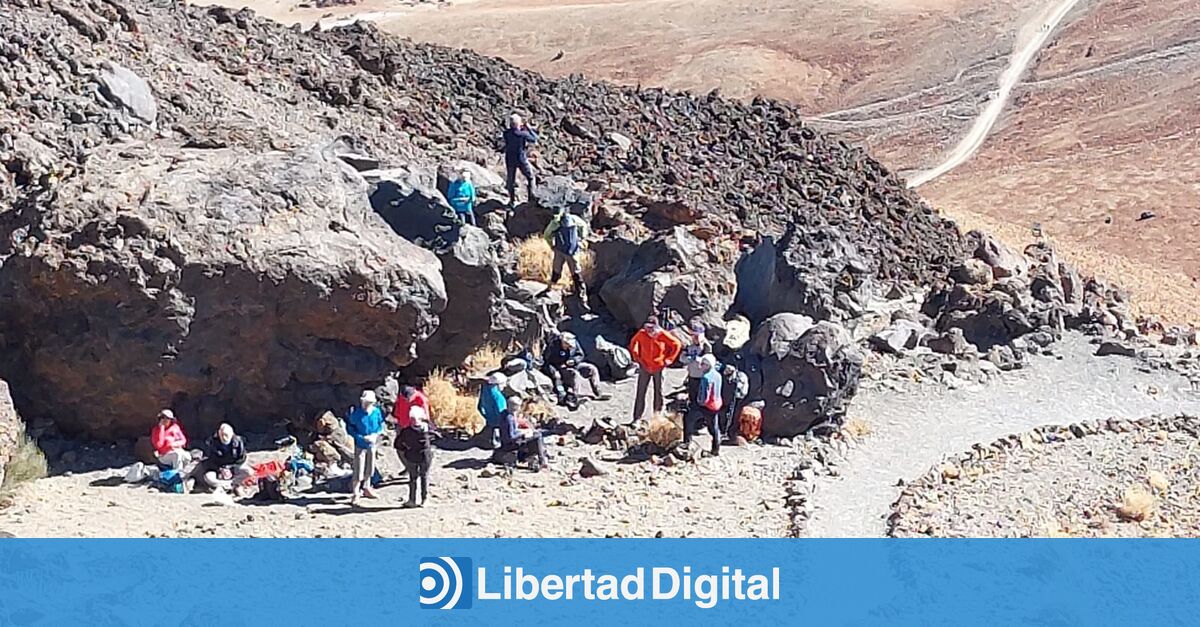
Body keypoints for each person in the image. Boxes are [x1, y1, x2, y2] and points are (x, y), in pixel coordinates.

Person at [627, 315, 683, 425]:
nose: (648, 330)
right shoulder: (642, 334)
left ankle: (657, 416)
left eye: (651, 327)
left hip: (659, 367)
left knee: (659, 392)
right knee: (641, 391)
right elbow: (633, 343)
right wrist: (637, 357)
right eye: (647, 327)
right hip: (645, 366)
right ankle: (637, 418)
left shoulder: (662, 334)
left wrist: (669, 359)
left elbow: (677, 344)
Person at [542, 332, 608, 408]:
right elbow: (548, 362)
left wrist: (574, 360)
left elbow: (580, 355)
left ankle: (598, 391)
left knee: (592, 368)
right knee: (575, 374)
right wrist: (554, 371)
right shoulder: (554, 347)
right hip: (560, 367)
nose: (569, 347)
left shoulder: (574, 344)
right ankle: (577, 395)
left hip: (574, 364)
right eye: (567, 345)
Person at [542, 208, 590, 304]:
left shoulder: (555, 223)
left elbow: (547, 235)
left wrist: (552, 245)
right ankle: (582, 294)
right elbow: (583, 226)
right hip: (572, 250)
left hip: (560, 250)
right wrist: (581, 238)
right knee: (575, 273)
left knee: (557, 270)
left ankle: (550, 288)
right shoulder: (574, 219)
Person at [346, 390, 384, 504]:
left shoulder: (376, 412)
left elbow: (380, 425)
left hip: (372, 443)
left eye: (369, 402)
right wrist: (361, 438)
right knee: (358, 468)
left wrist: (375, 435)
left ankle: (367, 487)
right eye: (365, 402)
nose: (366, 404)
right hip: (360, 444)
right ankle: (356, 492)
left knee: (370, 466)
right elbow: (350, 429)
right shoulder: (356, 414)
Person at [683, 354, 723, 456]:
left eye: (703, 364)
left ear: (709, 365)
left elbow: (705, 395)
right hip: (716, 404)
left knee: (688, 420)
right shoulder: (718, 375)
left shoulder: (705, 377)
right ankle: (716, 449)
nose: (701, 366)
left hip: (705, 406)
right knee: (714, 428)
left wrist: (699, 402)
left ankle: (687, 443)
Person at [396, 406, 435, 508]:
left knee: (413, 478)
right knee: (424, 476)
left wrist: (405, 450)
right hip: (425, 456)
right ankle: (424, 499)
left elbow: (397, 443)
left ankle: (412, 500)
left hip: (412, 455)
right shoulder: (429, 429)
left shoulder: (407, 431)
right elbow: (438, 437)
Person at [497, 396, 549, 471]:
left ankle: (538, 458)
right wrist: (523, 433)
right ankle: (542, 460)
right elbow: (511, 436)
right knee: (537, 436)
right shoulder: (509, 418)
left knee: (535, 433)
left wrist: (522, 431)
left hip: (508, 441)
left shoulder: (505, 413)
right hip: (510, 444)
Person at [197, 423, 251, 492]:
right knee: (208, 477)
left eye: (226, 435)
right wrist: (220, 470)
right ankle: (227, 485)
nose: (224, 437)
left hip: (233, 468)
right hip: (217, 469)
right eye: (222, 435)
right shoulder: (211, 442)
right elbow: (208, 460)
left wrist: (230, 468)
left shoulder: (239, 442)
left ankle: (229, 484)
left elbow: (241, 459)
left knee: (248, 472)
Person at [502, 113, 538, 208]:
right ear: (518, 123)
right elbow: (534, 139)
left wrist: (519, 127)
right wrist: (528, 128)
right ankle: (531, 198)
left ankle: (512, 201)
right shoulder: (522, 134)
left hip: (509, 158)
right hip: (521, 158)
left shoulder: (506, 134)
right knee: (530, 177)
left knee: (511, 180)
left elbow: (512, 133)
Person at [681, 319, 712, 402]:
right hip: (692, 375)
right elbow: (682, 358)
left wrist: (699, 359)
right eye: (693, 336)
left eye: (696, 335)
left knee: (701, 397)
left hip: (702, 376)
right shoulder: (689, 346)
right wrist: (690, 359)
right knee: (692, 396)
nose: (694, 338)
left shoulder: (706, 346)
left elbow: (709, 361)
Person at [719, 363, 749, 443]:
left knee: (734, 416)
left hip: (737, 398)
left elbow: (744, 388)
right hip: (726, 398)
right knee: (725, 414)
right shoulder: (723, 375)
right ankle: (723, 431)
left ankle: (731, 434)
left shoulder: (741, 376)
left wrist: (740, 394)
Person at [477, 372, 508, 449]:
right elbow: (502, 412)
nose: (505, 385)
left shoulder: (485, 390)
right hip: (498, 424)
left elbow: (479, 406)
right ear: (497, 384)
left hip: (489, 421)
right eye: (503, 383)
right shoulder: (498, 396)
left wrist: (485, 416)